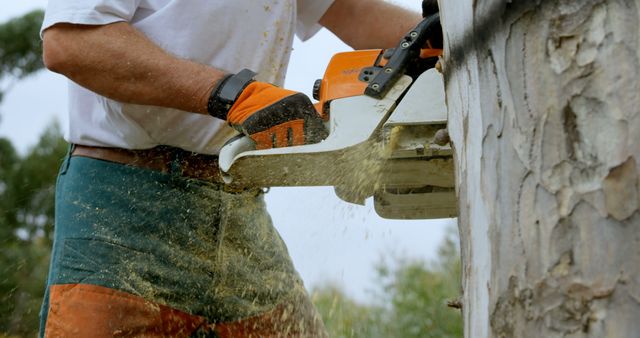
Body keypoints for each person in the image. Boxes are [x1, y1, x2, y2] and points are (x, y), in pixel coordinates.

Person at [38, 0, 436, 336]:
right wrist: (233, 95)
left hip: (237, 200)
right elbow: (71, 41)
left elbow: (352, 12)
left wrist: (441, 36)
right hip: (123, 203)